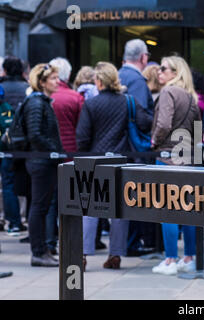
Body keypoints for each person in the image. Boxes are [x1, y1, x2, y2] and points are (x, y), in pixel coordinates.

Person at [76, 62, 152, 270]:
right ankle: (115, 255)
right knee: (118, 210)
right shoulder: (129, 101)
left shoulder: (91, 104)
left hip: (95, 160)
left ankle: (82, 254)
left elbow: (82, 137)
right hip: (122, 160)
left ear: (99, 82)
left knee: (90, 208)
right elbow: (146, 123)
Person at [150, 56, 201, 275]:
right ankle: (189, 257)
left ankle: (171, 259)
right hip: (187, 158)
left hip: (167, 156)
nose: (158, 72)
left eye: (163, 68)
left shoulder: (168, 93)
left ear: (175, 72)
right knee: (188, 209)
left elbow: (163, 123)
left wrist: (155, 139)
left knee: (168, 210)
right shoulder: (191, 98)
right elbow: (199, 131)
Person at [118, 39, 157, 257]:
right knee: (134, 197)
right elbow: (141, 118)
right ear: (143, 57)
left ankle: (124, 243)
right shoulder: (138, 82)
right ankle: (132, 243)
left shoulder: (116, 76)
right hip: (134, 149)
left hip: (116, 146)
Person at [24, 63, 63, 267]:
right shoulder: (37, 103)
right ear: (41, 82)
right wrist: (54, 149)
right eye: (53, 78)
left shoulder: (41, 102)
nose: (58, 82)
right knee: (39, 207)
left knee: (42, 206)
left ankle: (42, 251)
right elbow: (35, 134)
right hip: (41, 161)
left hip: (43, 161)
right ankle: (38, 252)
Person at [46, 57, 84, 254]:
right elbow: (81, 127)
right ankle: (68, 240)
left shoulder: (45, 97)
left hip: (49, 154)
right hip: (71, 154)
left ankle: (49, 241)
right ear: (68, 75)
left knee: (50, 200)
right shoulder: (75, 97)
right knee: (70, 200)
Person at [0, 56, 29, 236]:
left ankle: (13, 221)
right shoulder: (27, 88)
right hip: (22, 143)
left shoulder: (3, 88)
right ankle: (21, 221)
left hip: (4, 143)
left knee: (8, 183)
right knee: (21, 182)